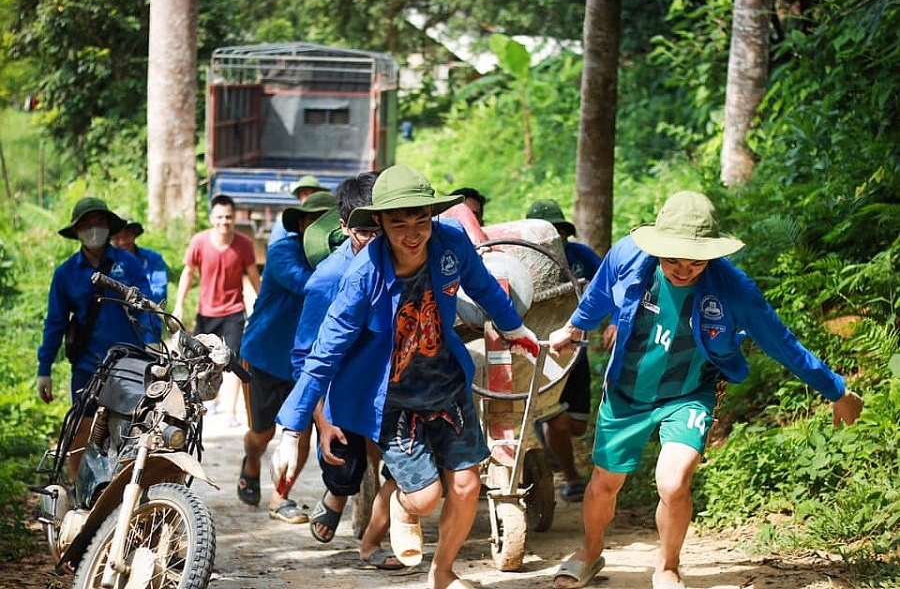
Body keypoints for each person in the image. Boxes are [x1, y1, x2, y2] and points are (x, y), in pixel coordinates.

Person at [546, 191, 865, 589]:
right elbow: (597, 295)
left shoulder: (733, 288)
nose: (683, 269)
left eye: (695, 260)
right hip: (627, 390)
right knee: (605, 483)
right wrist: (574, 327)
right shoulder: (628, 255)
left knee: (674, 482)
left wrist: (836, 389)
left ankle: (667, 565)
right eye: (673, 259)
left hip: (690, 391)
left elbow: (781, 342)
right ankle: (590, 552)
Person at [272, 164, 540, 589]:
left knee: (468, 486)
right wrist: (292, 429)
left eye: (421, 220)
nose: (413, 233)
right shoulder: (361, 278)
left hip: (447, 383)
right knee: (424, 497)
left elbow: (484, 286)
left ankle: (442, 572)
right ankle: (402, 503)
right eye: (399, 223)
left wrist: (513, 327)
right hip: (393, 398)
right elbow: (322, 353)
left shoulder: (450, 243)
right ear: (379, 222)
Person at [287, 171, 404, 569]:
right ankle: (337, 495)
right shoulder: (328, 280)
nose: (375, 241)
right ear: (344, 227)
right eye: (364, 232)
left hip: (393, 372)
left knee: (405, 461)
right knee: (342, 459)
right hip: (341, 380)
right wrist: (320, 420)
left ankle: (376, 537)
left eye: (381, 230)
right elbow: (306, 357)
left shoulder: (406, 257)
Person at [237, 191, 338, 521]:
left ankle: (280, 498)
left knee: (301, 432)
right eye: (313, 221)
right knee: (262, 435)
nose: (318, 228)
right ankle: (251, 463)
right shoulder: (283, 252)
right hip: (265, 356)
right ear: (303, 225)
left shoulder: (338, 258)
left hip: (306, 362)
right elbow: (309, 285)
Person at [37, 197, 155, 475]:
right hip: (89, 364)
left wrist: (151, 341)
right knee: (83, 430)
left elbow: (146, 305)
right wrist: (45, 369)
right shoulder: (65, 273)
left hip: (130, 362)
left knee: (131, 430)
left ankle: (126, 496)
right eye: (86, 224)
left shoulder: (129, 265)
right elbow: (55, 322)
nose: (93, 229)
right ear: (76, 230)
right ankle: (79, 495)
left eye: (99, 223)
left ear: (109, 226)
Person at [525, 198, 604, 503]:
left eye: (559, 231)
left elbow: (608, 283)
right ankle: (571, 478)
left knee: (576, 426)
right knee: (557, 421)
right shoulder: (520, 261)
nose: (555, 239)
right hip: (540, 354)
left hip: (577, 353)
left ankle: (549, 437)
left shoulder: (580, 257)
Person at [172, 194, 261, 426]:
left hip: (233, 310)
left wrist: (263, 305)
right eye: (220, 217)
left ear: (234, 219)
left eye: (229, 217)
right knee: (203, 359)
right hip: (206, 311)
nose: (224, 222)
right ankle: (212, 399)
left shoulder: (244, 244)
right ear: (212, 218)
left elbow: (253, 276)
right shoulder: (199, 242)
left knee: (231, 359)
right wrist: (179, 305)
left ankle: (230, 410)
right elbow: (188, 274)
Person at [111, 218, 168, 305]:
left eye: (126, 236)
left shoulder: (153, 258)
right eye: (117, 237)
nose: (122, 241)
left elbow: (160, 292)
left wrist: (139, 298)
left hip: (148, 312)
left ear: (134, 235)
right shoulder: (106, 261)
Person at [268, 175, 328, 245]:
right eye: (305, 194)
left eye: (314, 194)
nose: (310, 197)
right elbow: (276, 248)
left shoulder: (326, 219)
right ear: (299, 196)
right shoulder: (281, 223)